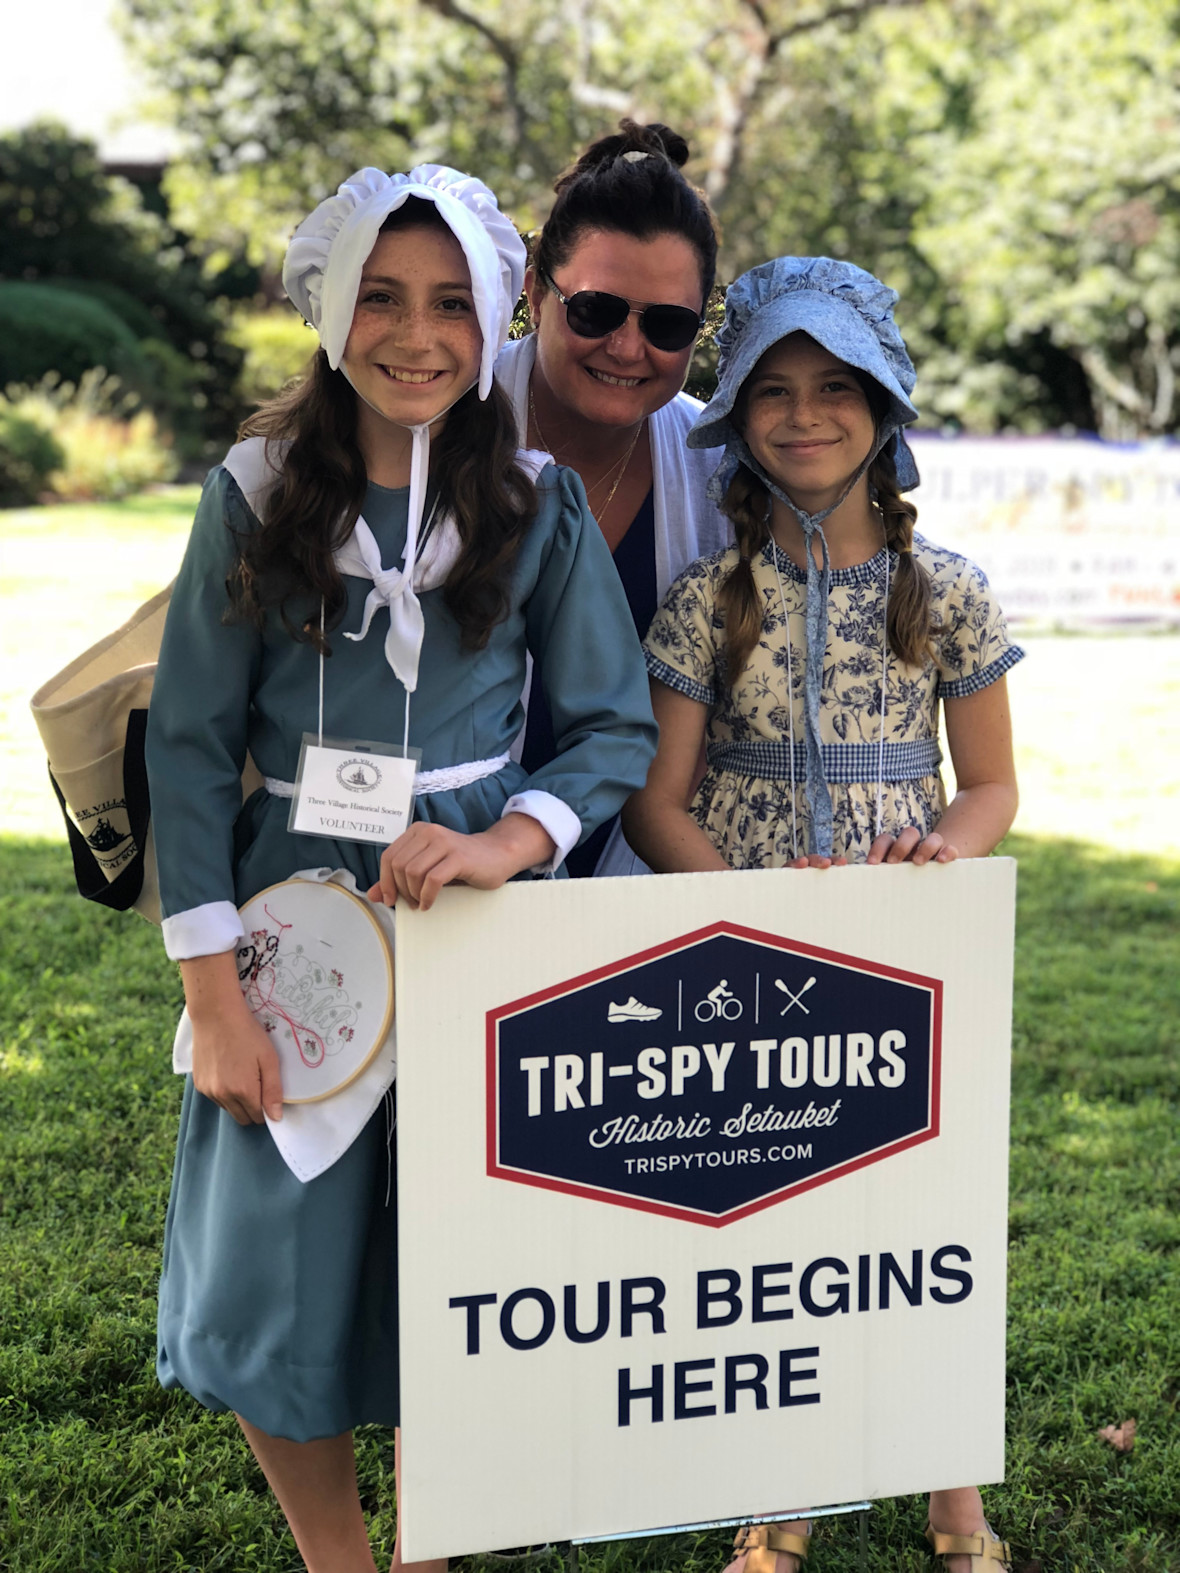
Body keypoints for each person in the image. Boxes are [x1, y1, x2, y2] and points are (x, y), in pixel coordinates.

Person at [145, 164, 657, 1573]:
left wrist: (507, 839)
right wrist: (215, 996)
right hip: (294, 896)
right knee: (276, 1243)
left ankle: (429, 1552)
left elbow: (614, 723)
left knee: (462, 1253)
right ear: (330, 305)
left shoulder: (535, 500)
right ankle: (339, 1558)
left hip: (475, 916)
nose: (416, 334)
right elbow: (186, 747)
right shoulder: (254, 491)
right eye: (381, 296)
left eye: (450, 301)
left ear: (495, 312)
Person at [623, 256, 1021, 1572]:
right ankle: (778, 1497)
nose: (805, 415)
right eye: (774, 392)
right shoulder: (705, 597)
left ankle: (952, 1494)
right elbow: (654, 802)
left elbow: (995, 785)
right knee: (778, 1223)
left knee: (919, 1211)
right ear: (736, 418)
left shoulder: (945, 590)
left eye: (835, 388)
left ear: (885, 410)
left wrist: (936, 853)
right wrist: (740, 915)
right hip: (746, 949)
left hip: (901, 942)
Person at [495, 120, 730, 876]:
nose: (629, 349)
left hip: (637, 875)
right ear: (535, 289)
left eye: (667, 325)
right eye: (596, 310)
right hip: (435, 863)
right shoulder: (435, 431)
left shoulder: (718, 472)